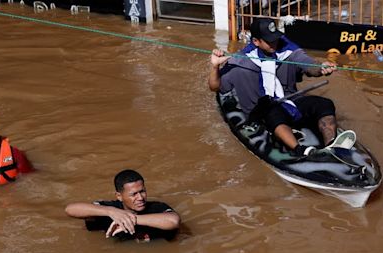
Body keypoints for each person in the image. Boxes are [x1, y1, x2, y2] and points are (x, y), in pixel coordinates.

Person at [208, 18, 339, 157]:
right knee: (272, 112)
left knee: (324, 104)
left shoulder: (288, 50)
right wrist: (215, 66)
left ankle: (332, 146)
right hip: (262, 112)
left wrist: (321, 68)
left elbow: (309, 65)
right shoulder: (240, 61)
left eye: (275, 38)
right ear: (256, 42)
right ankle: (299, 150)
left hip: (290, 102)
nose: (274, 43)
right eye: (269, 40)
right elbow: (215, 87)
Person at [65, 169, 180, 241]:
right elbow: (70, 209)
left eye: (142, 191)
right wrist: (110, 212)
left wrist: (132, 219)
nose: (140, 198)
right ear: (119, 196)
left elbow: (173, 221)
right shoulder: (110, 210)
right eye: (133, 194)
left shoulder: (156, 208)